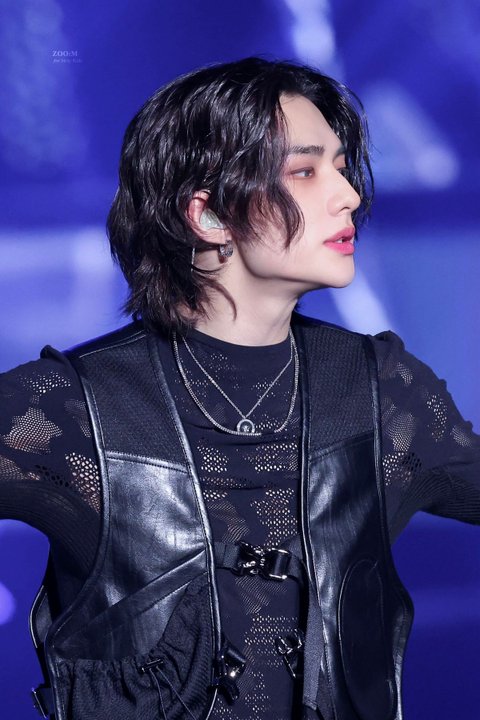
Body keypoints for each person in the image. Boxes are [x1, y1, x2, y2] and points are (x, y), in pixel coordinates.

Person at [0, 56, 479, 720]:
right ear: (208, 215)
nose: (348, 195)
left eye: (343, 168)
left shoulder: (383, 393)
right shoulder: (69, 409)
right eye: (305, 171)